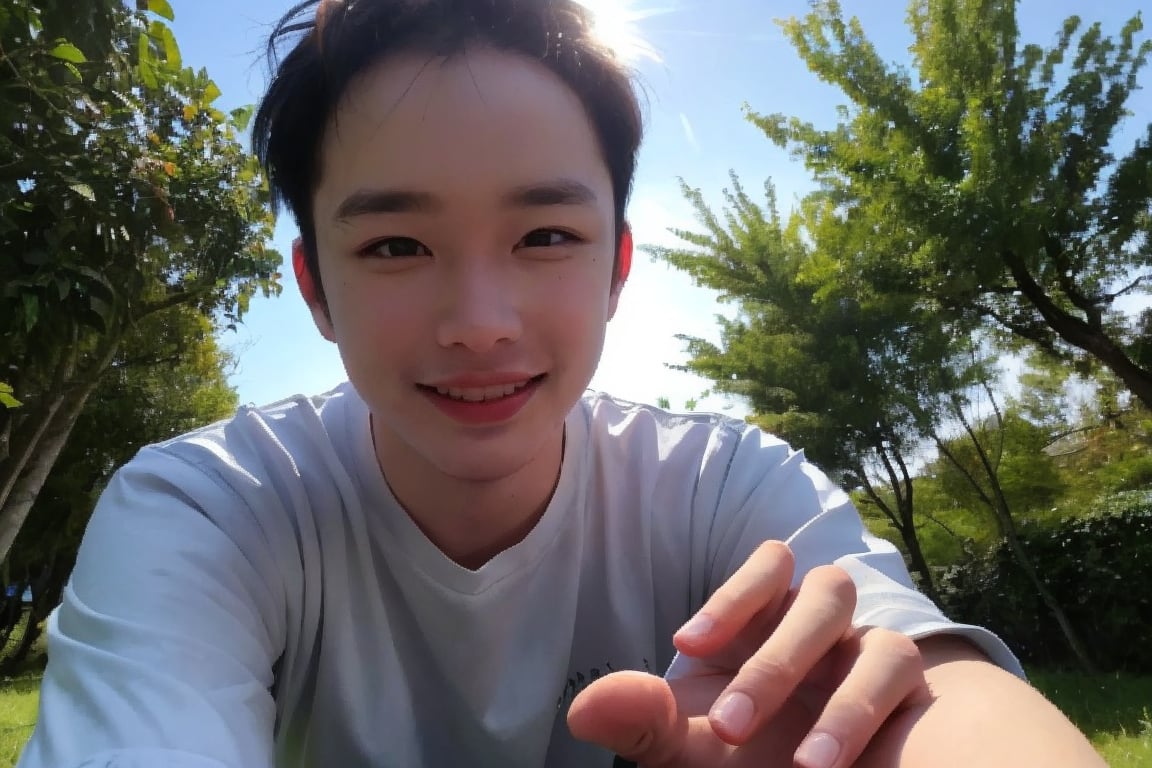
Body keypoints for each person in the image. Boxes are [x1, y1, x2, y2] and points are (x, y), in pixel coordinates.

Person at [18, 1, 1106, 766]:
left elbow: (945, 702)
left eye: (544, 233)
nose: (481, 325)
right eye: (397, 246)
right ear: (314, 288)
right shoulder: (207, 507)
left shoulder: (723, 487)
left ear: (618, 265)